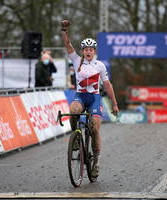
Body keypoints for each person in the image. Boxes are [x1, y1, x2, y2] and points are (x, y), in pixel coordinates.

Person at [61, 20, 119, 178]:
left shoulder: (100, 65)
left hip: (94, 98)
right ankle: (75, 137)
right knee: (73, 111)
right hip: (80, 96)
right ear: (83, 51)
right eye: (85, 49)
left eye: (91, 49)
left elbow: (107, 85)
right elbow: (68, 45)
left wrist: (114, 104)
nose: (88, 51)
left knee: (94, 128)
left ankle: (96, 162)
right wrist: (64, 30)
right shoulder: (76, 60)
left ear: (94, 51)